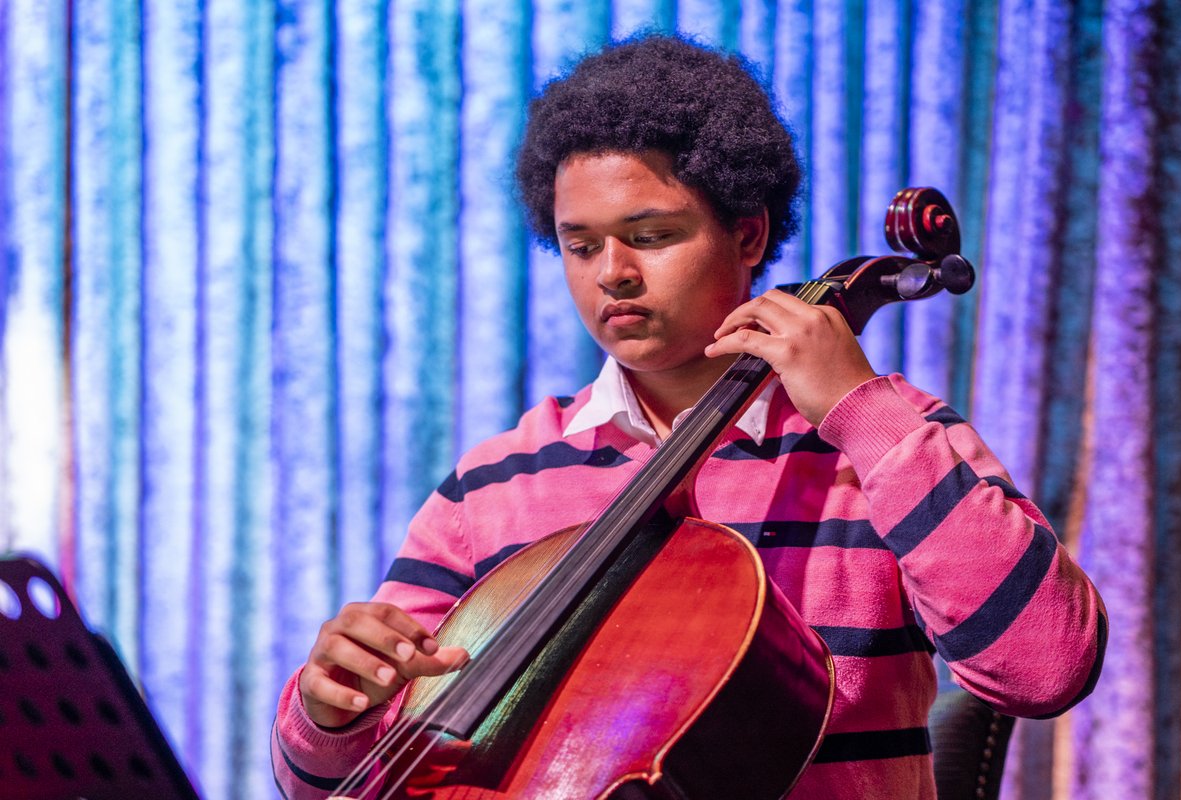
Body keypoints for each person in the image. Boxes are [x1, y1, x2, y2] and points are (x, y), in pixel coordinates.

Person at [272, 35, 1105, 799]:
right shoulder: (498, 483)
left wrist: (860, 409)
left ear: (747, 235)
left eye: (652, 234)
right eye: (581, 243)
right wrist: (330, 711)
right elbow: (350, 778)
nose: (614, 275)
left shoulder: (887, 442)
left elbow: (1044, 668)